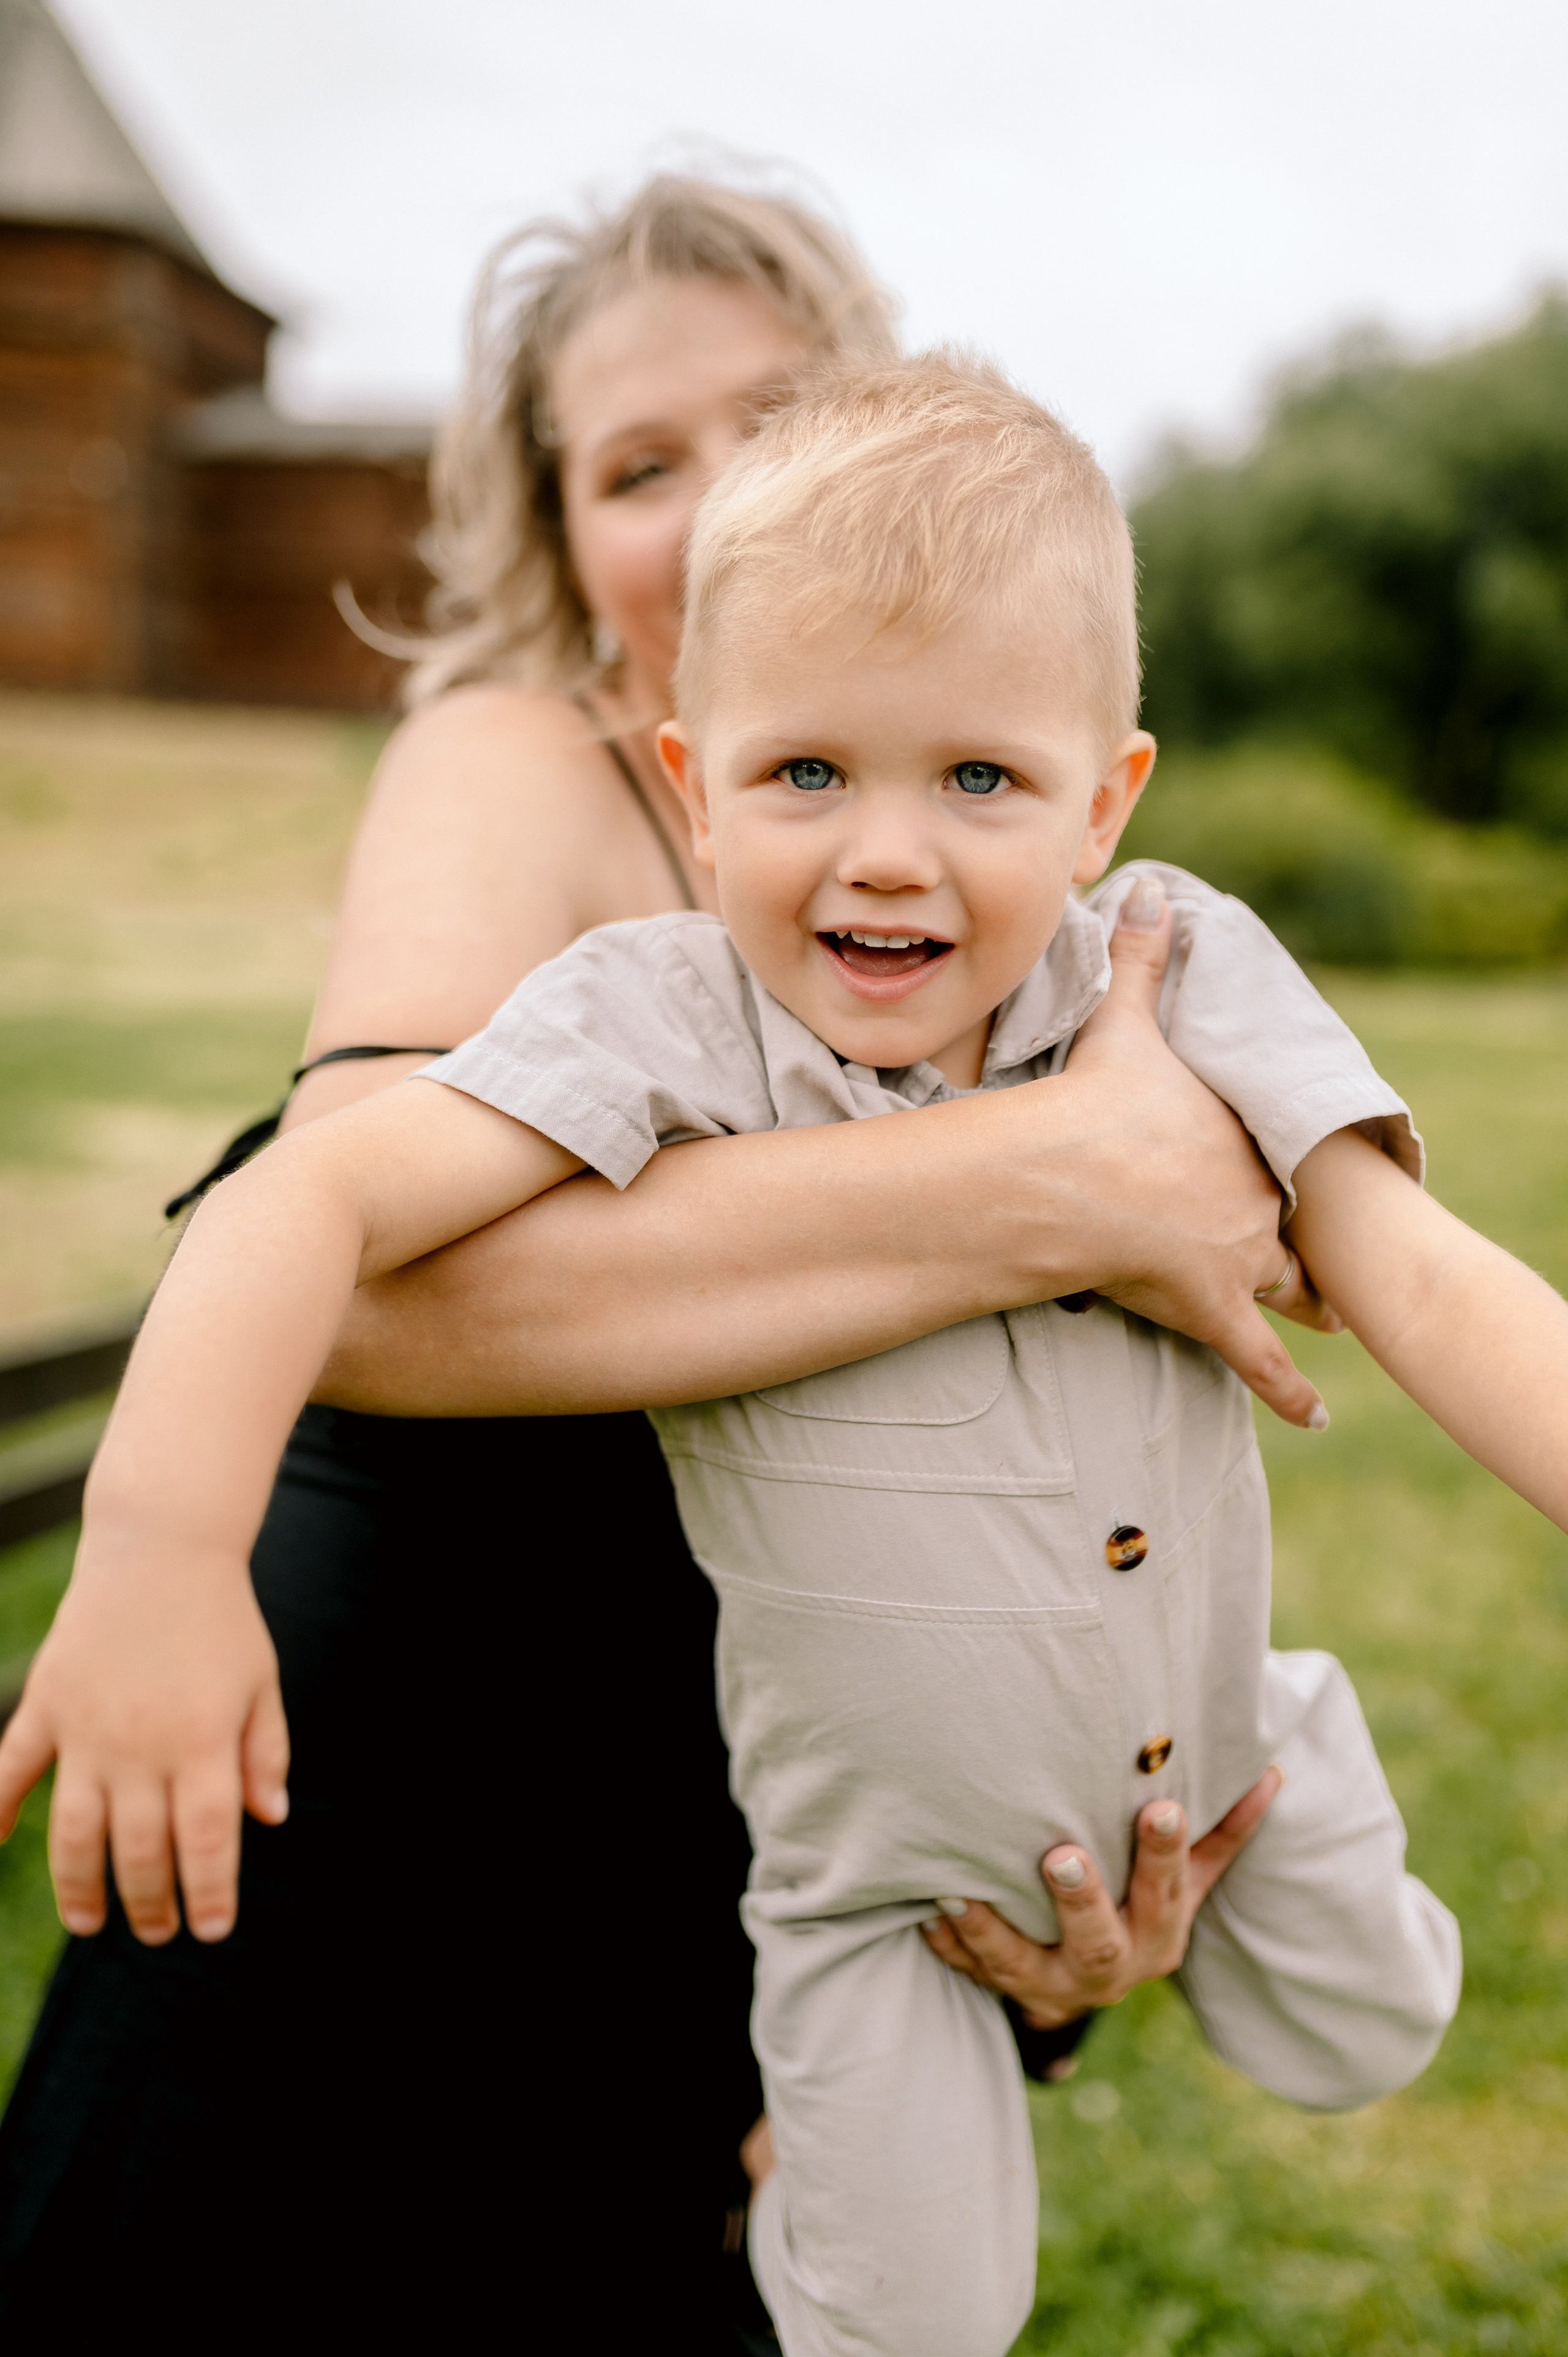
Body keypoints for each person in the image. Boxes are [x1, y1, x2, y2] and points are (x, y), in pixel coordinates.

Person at [0, 185, 1314, 2347]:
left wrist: (1071, 1878)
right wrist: (1059, 1178)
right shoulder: (522, 754)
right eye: (635, 466)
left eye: (775, 422)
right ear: (552, 536)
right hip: (388, 1815)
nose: (712, 503)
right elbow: (343, 1238)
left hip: (713, 1847)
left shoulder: (962, 897)